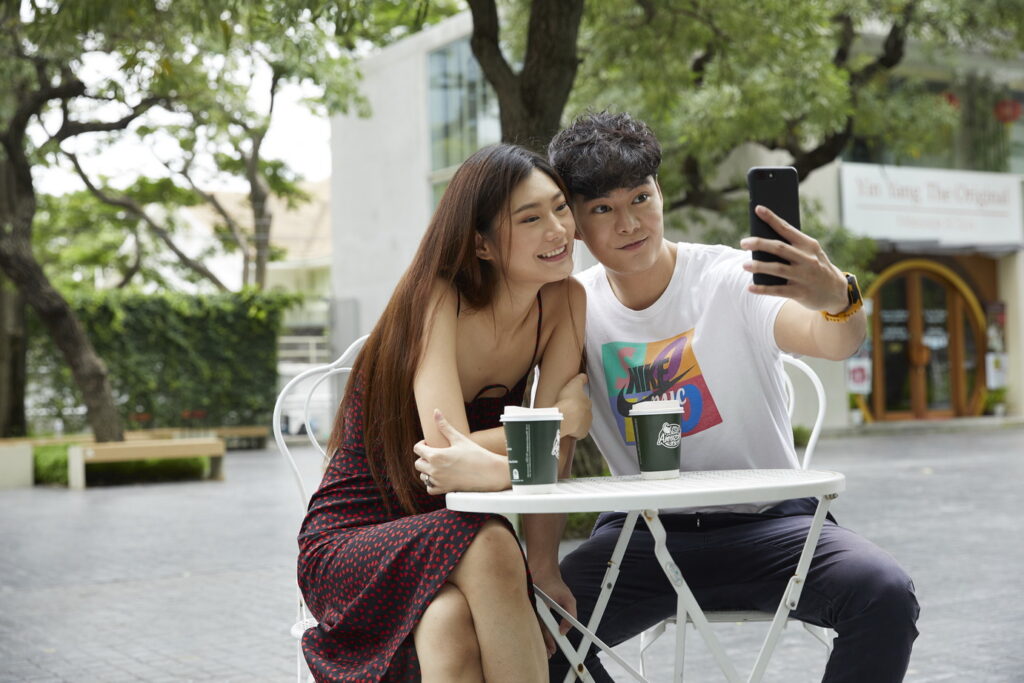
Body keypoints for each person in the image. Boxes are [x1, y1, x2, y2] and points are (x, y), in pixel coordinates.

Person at [422, 112, 920, 681]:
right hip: (642, 536)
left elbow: (832, 341)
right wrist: (542, 564)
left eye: (640, 198)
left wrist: (837, 299)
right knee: (536, 627)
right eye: (602, 209)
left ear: (659, 192)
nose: (629, 223)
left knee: (884, 593)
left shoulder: (728, 278)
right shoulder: (572, 306)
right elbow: (553, 450)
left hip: (772, 527)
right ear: (575, 224)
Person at [296, 143, 588, 682]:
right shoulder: (436, 296)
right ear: (480, 243)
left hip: (451, 535)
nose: (558, 230)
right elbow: (445, 458)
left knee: (448, 622)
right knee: (492, 540)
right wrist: (562, 419)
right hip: (354, 539)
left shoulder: (565, 300)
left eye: (560, 207)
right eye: (530, 218)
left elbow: (550, 462)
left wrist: (545, 566)